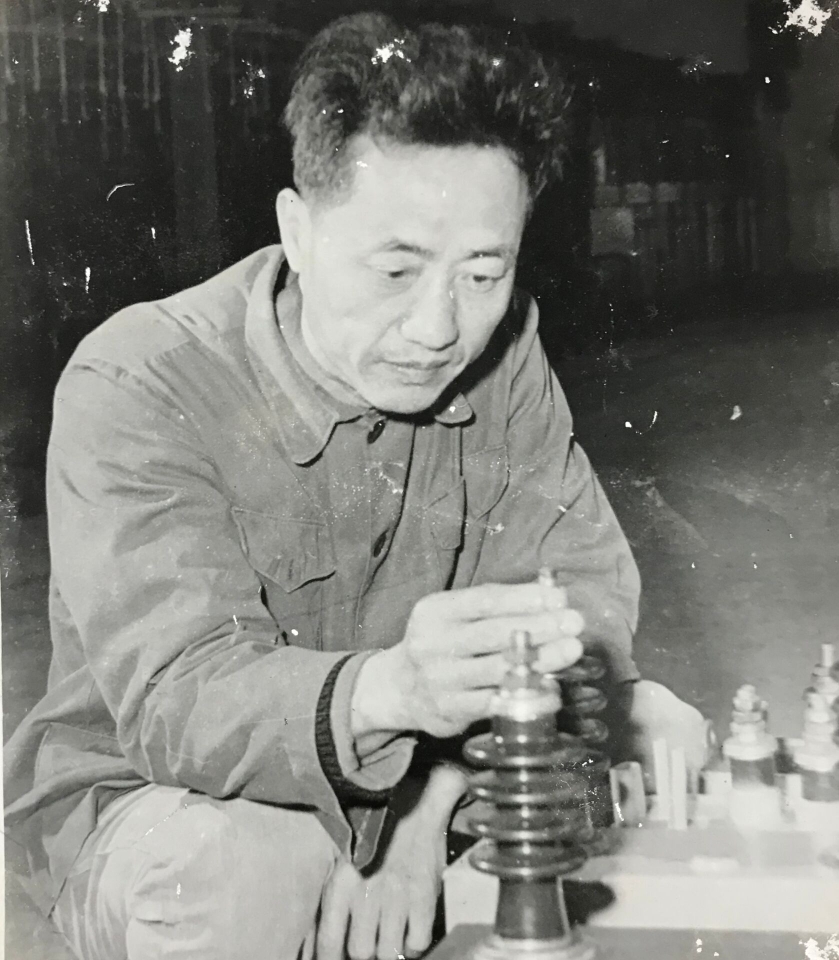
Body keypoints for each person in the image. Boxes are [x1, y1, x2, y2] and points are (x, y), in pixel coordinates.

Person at [4, 13, 707, 960]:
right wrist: (392, 703)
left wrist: (423, 805)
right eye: (395, 268)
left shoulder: (501, 357)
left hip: (414, 761)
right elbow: (183, 703)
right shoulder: (140, 379)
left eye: (482, 273)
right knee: (245, 867)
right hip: (165, 799)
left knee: (647, 737)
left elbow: (577, 605)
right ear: (298, 231)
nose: (437, 328)